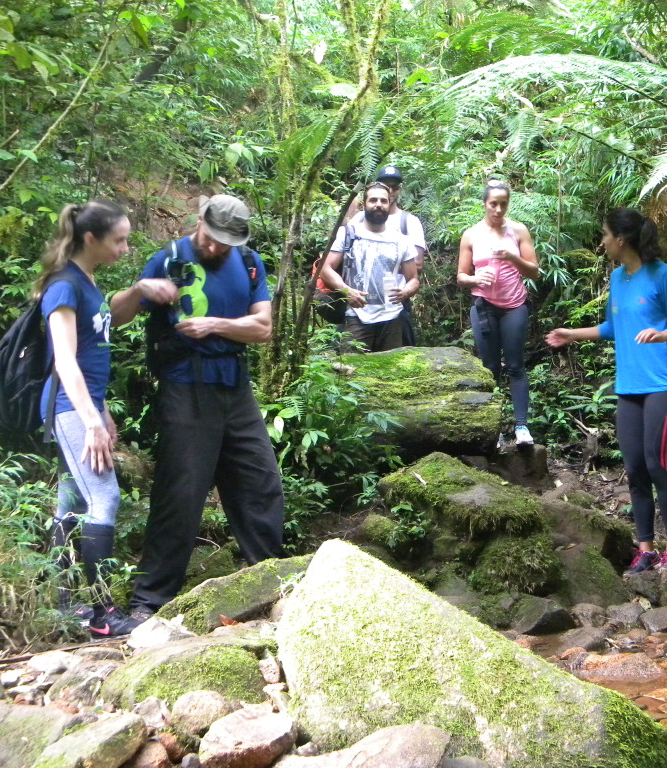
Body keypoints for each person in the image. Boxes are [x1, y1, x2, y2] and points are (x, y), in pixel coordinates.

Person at [110, 194, 286, 617]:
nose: (215, 248)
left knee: (260, 483)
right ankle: (149, 601)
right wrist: (139, 289)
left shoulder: (249, 263)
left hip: (235, 389)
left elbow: (262, 327)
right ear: (199, 221)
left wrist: (214, 325)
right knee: (180, 493)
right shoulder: (168, 259)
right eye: (211, 238)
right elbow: (116, 316)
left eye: (225, 242)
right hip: (185, 389)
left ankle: (274, 585)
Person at [546, 208, 667, 574]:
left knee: (659, 464)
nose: (602, 241)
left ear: (622, 239)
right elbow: (614, 327)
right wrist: (572, 334)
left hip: (663, 384)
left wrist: (664, 334)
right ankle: (645, 549)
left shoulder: (663, 274)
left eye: (605, 235)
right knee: (635, 468)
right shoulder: (617, 278)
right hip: (629, 387)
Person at [39, 200, 141, 637]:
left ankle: (64, 606)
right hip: (67, 408)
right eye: (119, 240)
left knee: (72, 502)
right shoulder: (64, 286)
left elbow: (90, 355)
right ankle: (102, 614)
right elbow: (65, 360)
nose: (125, 248)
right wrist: (90, 421)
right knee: (105, 498)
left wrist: (103, 411)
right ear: (90, 239)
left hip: (83, 406)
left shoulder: (89, 283)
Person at [457, 179, 539, 446]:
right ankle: (493, 430)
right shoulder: (471, 234)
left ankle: (521, 427)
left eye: (503, 204)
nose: (499, 209)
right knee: (490, 367)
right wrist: (475, 279)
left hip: (514, 305)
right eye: (494, 204)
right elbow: (460, 277)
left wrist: (512, 258)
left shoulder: (518, 231)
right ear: (485, 204)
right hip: (484, 306)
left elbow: (534, 271)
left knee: (515, 365)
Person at [320, 182, 420, 352]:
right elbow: (325, 269)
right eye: (373, 200)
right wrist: (346, 291)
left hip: (392, 318)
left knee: (390, 371)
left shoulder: (401, 240)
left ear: (390, 204)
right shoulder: (348, 233)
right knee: (352, 371)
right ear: (364, 204)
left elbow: (414, 279)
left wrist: (405, 292)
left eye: (383, 201)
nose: (378, 204)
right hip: (356, 316)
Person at [350, 166, 427, 346]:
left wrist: (382, 262)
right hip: (358, 303)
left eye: (395, 187)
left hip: (395, 302)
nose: (391, 191)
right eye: (386, 185)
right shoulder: (359, 219)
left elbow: (418, 265)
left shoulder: (409, 221)